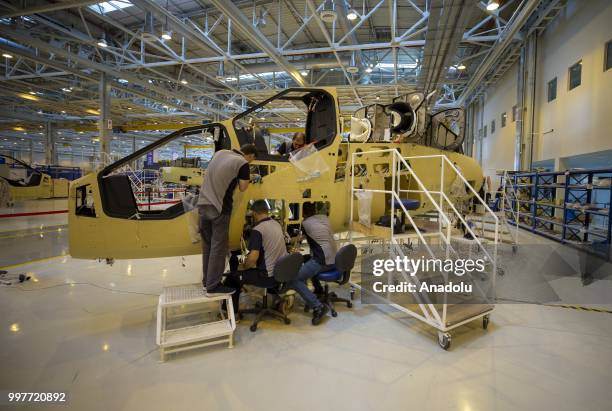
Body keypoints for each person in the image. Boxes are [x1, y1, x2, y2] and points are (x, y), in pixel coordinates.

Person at [223, 200, 329, 325]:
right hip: (281, 274)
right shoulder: (276, 224)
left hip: (268, 277)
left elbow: (252, 260)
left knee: (232, 278)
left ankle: (231, 315)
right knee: (294, 280)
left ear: (255, 213)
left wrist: (242, 267)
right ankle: (317, 306)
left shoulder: (258, 230)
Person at [198, 144, 257, 296]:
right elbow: (243, 187)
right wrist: (250, 177)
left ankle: (207, 282)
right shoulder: (242, 163)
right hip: (219, 209)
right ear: (250, 156)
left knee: (208, 246)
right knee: (219, 248)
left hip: (202, 205)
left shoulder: (221, 153)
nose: (249, 163)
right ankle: (213, 287)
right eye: (251, 161)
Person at [298, 202, 337, 303]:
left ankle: (313, 302)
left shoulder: (305, 223)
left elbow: (299, 239)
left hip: (323, 262)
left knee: (297, 278)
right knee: (306, 258)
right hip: (335, 259)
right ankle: (319, 290)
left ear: (302, 212)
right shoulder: (324, 218)